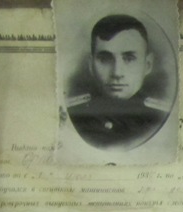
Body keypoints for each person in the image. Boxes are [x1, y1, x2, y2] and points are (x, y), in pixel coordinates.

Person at [66, 14, 171, 149]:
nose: (117, 73)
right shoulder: (74, 115)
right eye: (105, 59)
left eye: (129, 59)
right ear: (91, 65)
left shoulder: (160, 117)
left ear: (147, 65)